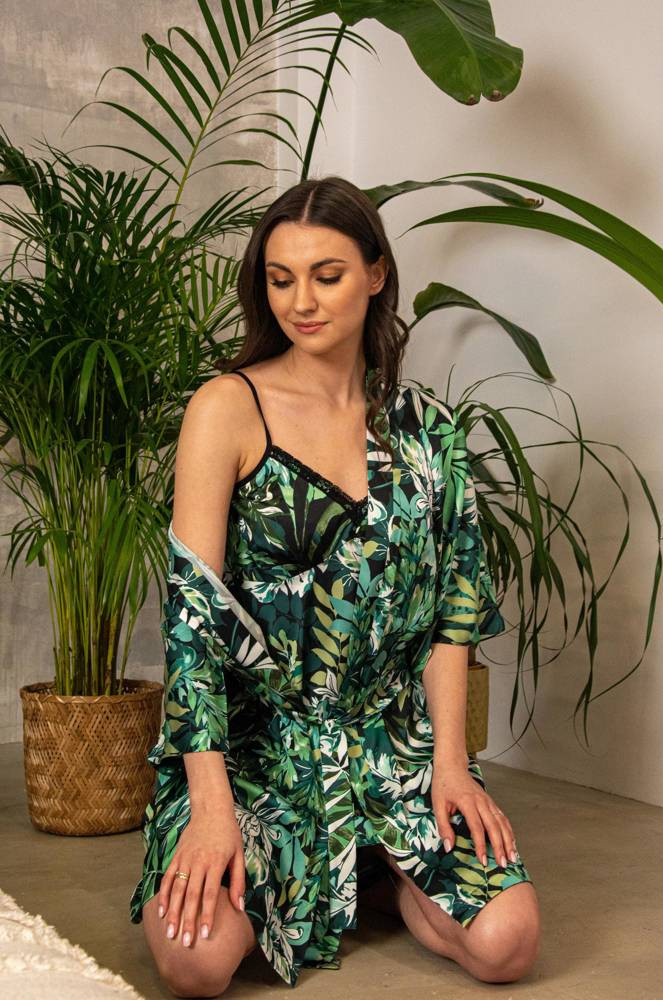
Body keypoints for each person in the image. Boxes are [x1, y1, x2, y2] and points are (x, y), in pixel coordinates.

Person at [129, 175, 540, 995]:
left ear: (376, 273)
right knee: (195, 960)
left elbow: (451, 617)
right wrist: (209, 806)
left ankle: (368, 866)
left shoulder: (428, 430)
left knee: (507, 946)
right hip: (253, 751)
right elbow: (191, 620)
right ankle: (337, 863)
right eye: (280, 279)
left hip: (390, 746)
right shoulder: (227, 407)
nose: (301, 302)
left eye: (327, 275)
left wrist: (450, 766)